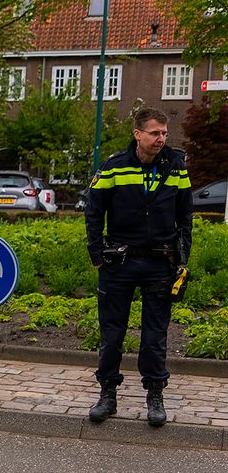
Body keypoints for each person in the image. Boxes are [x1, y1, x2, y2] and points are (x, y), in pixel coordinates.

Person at [85, 107, 193, 428]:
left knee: (155, 335)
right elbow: (93, 212)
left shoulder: (176, 166)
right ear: (138, 134)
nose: (161, 139)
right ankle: (107, 394)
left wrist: (182, 258)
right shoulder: (114, 166)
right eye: (155, 133)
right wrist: (97, 256)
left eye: (164, 133)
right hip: (119, 261)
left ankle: (155, 395)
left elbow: (185, 215)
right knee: (112, 333)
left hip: (160, 262)